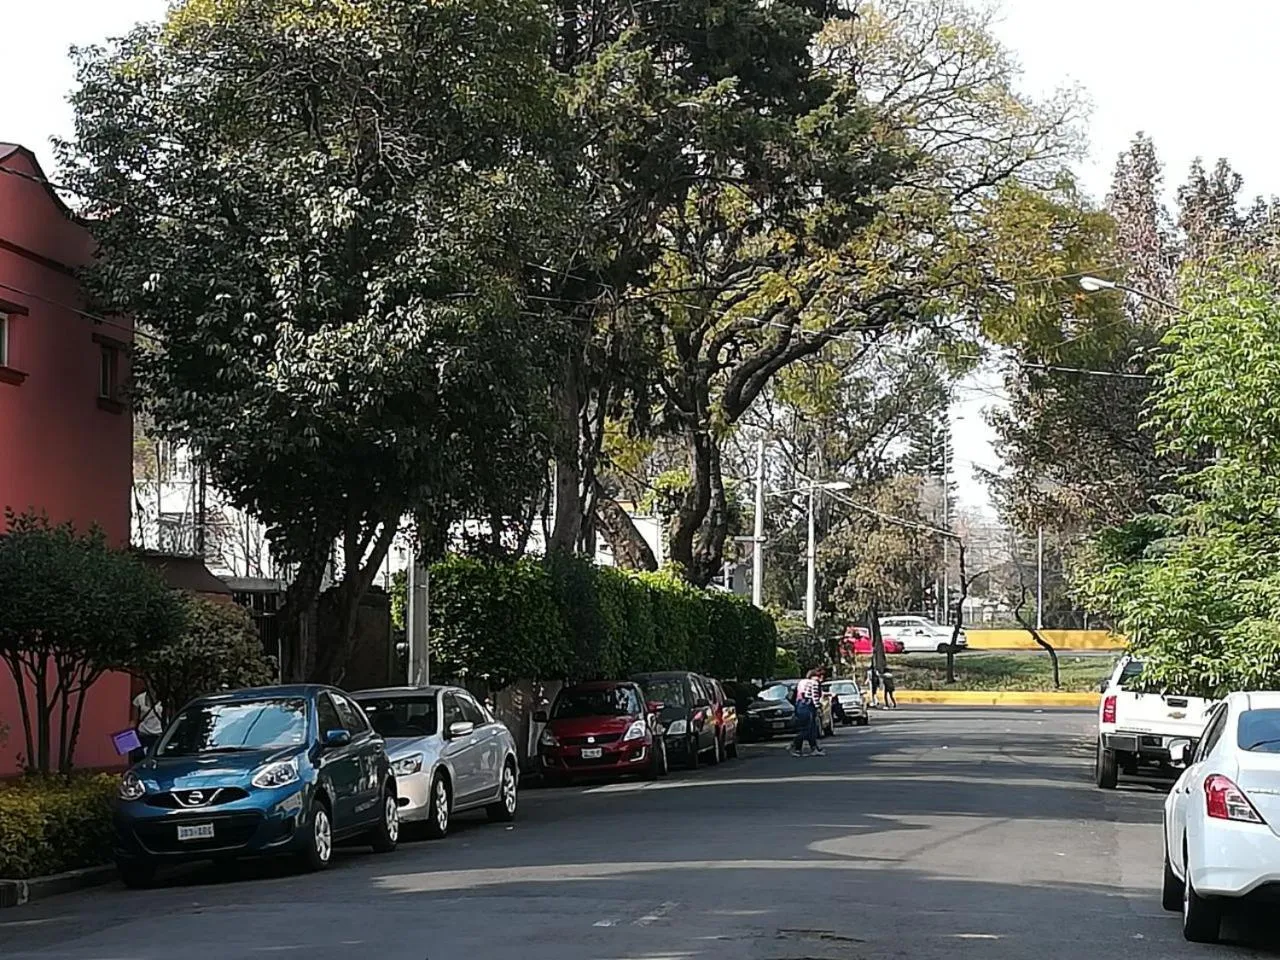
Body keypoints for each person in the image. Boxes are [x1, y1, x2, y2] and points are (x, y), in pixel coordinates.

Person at [790, 671, 824, 757]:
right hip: (808, 705)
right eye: (818, 676)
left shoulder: (801, 682)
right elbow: (815, 696)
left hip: (799, 705)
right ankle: (795, 744)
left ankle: (811, 748)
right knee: (808, 729)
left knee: (808, 728)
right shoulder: (813, 683)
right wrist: (818, 707)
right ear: (813, 676)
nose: (820, 679)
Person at [130, 690, 164, 764]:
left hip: (158, 735)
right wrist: (129, 736)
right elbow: (134, 720)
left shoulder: (164, 698)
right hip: (143, 734)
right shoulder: (139, 698)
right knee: (139, 758)